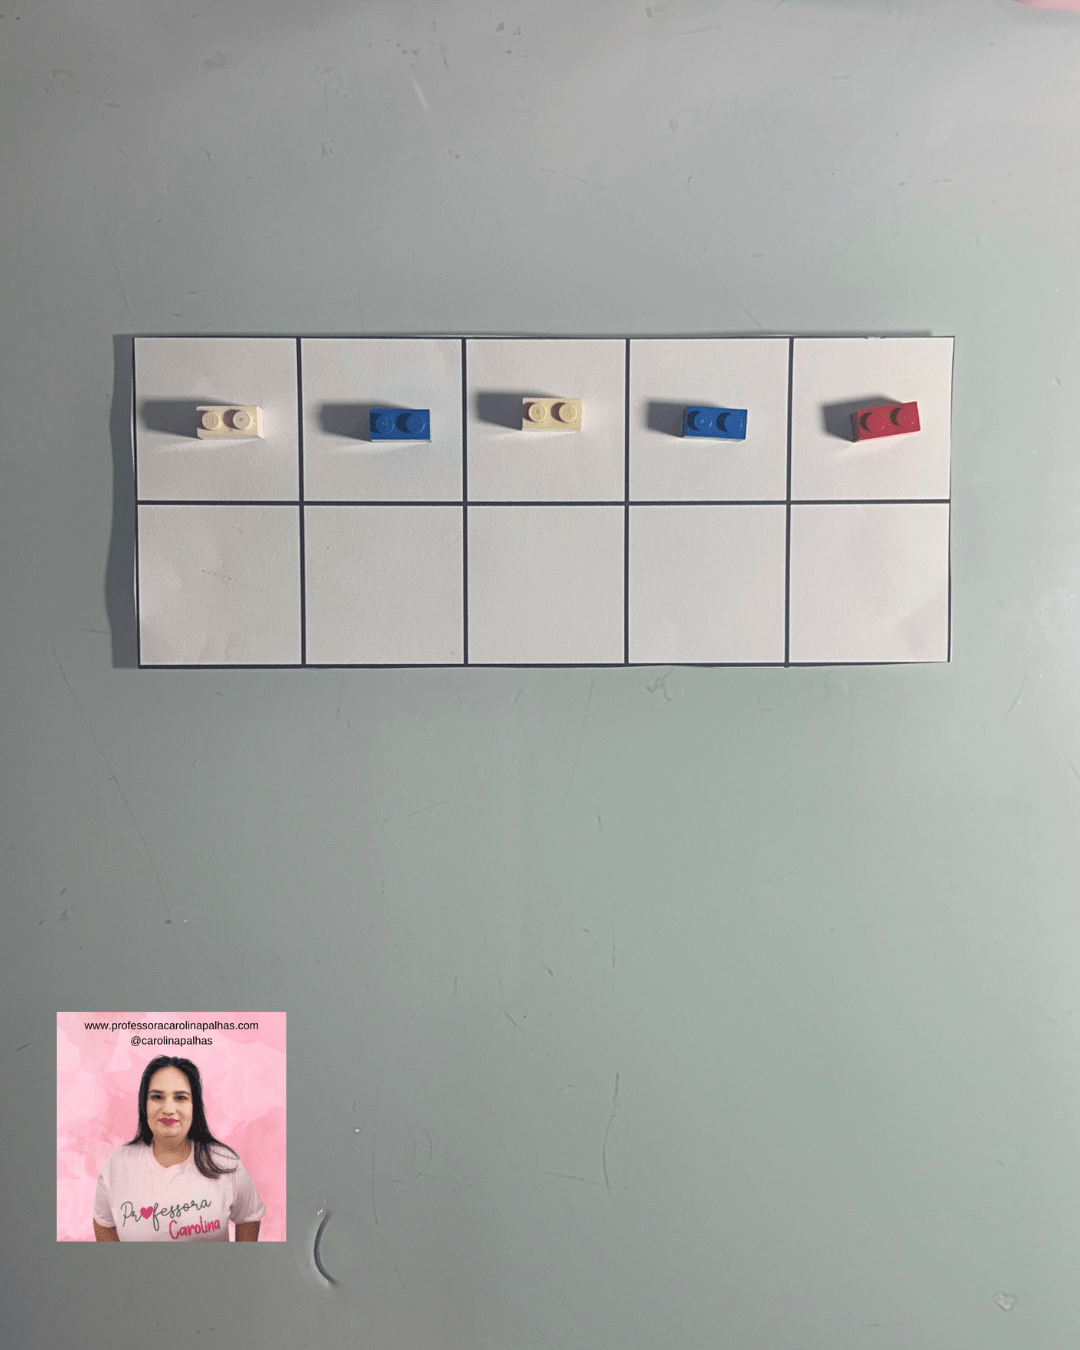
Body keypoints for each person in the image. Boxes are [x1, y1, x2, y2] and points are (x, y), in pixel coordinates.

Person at [92, 1055, 265, 1242]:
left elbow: (249, 1217)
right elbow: (103, 1222)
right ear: (144, 1104)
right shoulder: (117, 1164)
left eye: (180, 1097)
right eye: (157, 1097)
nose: (168, 1109)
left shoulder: (225, 1162)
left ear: (194, 1105)